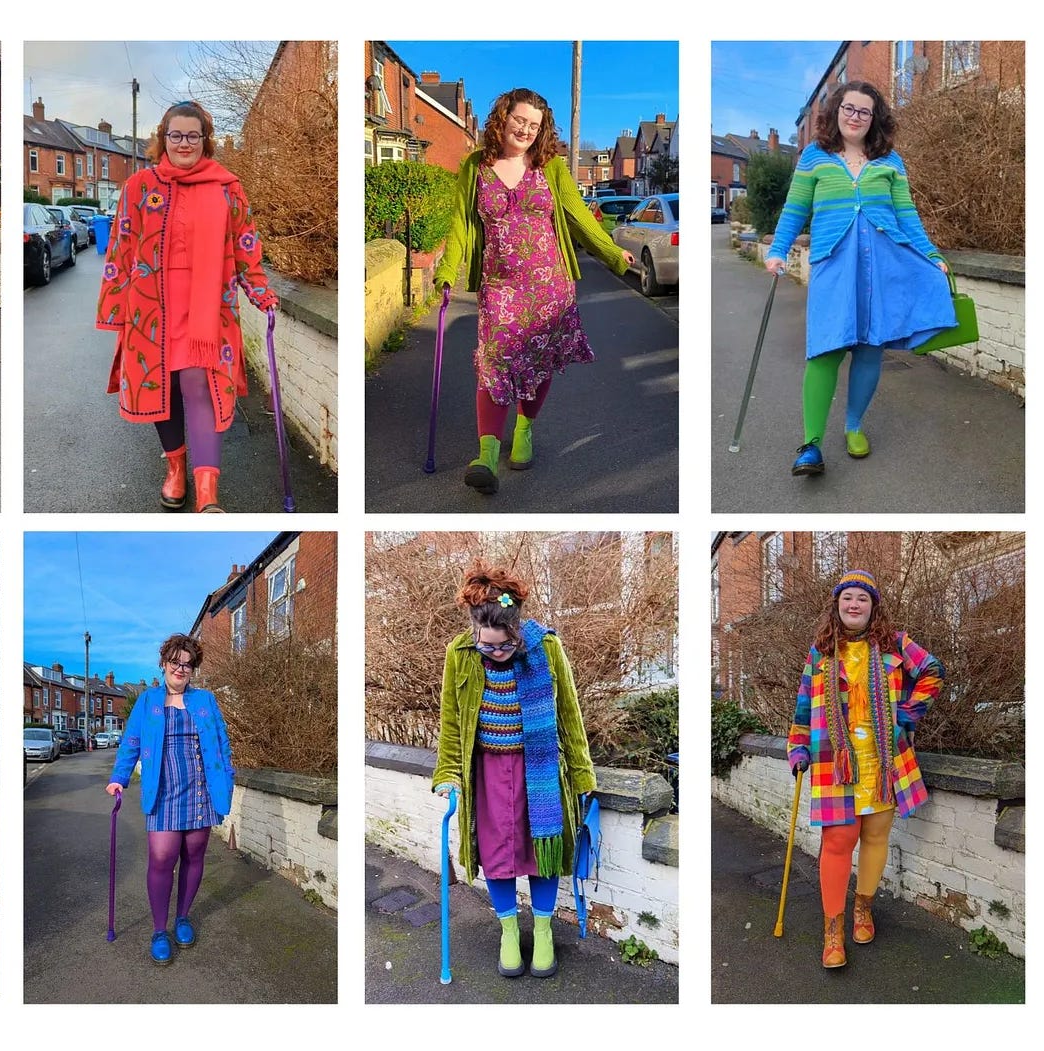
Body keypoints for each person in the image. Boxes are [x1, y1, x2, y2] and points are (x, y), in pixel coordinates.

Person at [432, 88, 634, 496]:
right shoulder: (476, 166)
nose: (525, 129)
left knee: (538, 365)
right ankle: (487, 454)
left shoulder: (550, 166)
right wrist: (447, 272)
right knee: (494, 365)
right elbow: (461, 225)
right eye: (519, 119)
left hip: (549, 284)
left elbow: (578, 216)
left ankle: (524, 429)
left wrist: (613, 253)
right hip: (500, 285)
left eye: (534, 124)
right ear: (502, 117)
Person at [765, 81, 957, 477]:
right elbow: (794, 209)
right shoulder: (814, 157)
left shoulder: (890, 162)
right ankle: (811, 444)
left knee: (870, 348)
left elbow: (907, 216)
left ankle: (854, 427)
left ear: (875, 119)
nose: (855, 117)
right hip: (833, 264)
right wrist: (777, 250)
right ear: (836, 112)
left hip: (882, 264)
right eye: (849, 109)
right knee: (825, 350)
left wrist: (932, 255)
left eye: (864, 111)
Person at [96, 101, 279, 513]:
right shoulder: (139, 186)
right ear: (163, 139)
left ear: (205, 140)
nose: (184, 143)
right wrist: (114, 309)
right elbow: (121, 247)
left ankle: (208, 488)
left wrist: (260, 290)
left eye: (192, 135)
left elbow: (245, 245)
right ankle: (176, 468)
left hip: (208, 307)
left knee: (199, 383)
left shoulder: (227, 187)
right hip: (151, 306)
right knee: (163, 388)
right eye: (175, 135)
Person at [431, 565, 597, 978]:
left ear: (516, 629)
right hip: (487, 773)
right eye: (487, 647)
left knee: (544, 853)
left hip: (538, 770)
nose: (495, 653)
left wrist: (582, 777)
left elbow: (569, 718)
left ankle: (542, 931)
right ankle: (508, 932)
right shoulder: (460, 654)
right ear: (475, 630)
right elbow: (452, 722)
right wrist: (448, 774)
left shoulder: (548, 648)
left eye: (504, 646)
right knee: (497, 855)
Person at [788, 569, 944, 969]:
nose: (854, 604)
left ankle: (863, 909)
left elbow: (932, 671)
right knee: (838, 842)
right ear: (836, 605)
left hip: (884, 763)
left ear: (873, 606)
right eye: (847, 598)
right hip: (834, 763)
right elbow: (804, 706)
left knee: (875, 839)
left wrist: (907, 714)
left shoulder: (894, 644)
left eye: (862, 598)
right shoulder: (820, 652)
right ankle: (833, 932)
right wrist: (797, 747)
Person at [107, 633, 235, 965]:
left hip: (200, 792)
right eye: (175, 662)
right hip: (163, 793)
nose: (181, 668)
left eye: (187, 664)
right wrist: (119, 779)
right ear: (164, 663)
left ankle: (183, 918)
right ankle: (159, 930)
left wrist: (227, 782)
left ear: (193, 669)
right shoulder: (148, 702)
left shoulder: (205, 701)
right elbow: (131, 743)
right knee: (162, 859)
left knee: (194, 855)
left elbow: (222, 744)